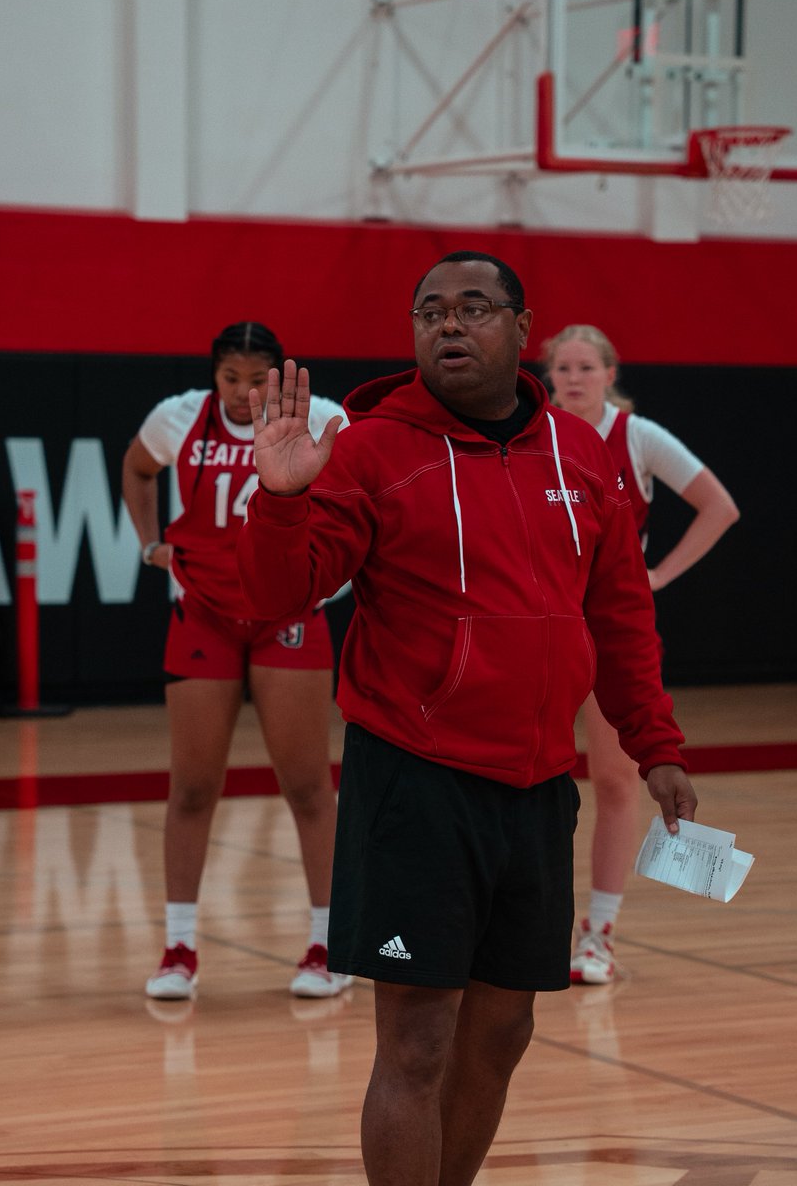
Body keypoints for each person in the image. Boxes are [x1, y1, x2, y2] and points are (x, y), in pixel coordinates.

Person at [236, 252, 698, 1186]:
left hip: (535, 788)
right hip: (416, 779)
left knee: (502, 1033)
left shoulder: (583, 453)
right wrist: (282, 499)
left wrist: (654, 743)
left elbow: (617, 611)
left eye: (474, 308)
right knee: (415, 1041)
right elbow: (281, 590)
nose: (449, 325)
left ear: (522, 329)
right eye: (430, 312)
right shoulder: (370, 448)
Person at [121, 320, 352, 1001]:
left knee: (308, 786)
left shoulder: (324, 418)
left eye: (258, 380)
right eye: (231, 379)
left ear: (278, 375)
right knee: (192, 787)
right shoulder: (179, 417)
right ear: (213, 376)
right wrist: (149, 545)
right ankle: (179, 948)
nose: (245, 392)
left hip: (288, 613)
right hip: (204, 612)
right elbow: (137, 468)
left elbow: (359, 501)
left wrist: (332, 573)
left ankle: (327, 945)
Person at [543, 324, 740, 987]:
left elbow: (720, 507)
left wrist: (658, 575)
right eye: (562, 367)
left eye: (584, 367)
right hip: (542, 624)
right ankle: (526, 923)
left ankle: (597, 934)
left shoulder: (638, 437)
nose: (572, 377)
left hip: (609, 626)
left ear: (608, 373)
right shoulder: (533, 432)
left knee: (616, 779)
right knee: (527, 773)